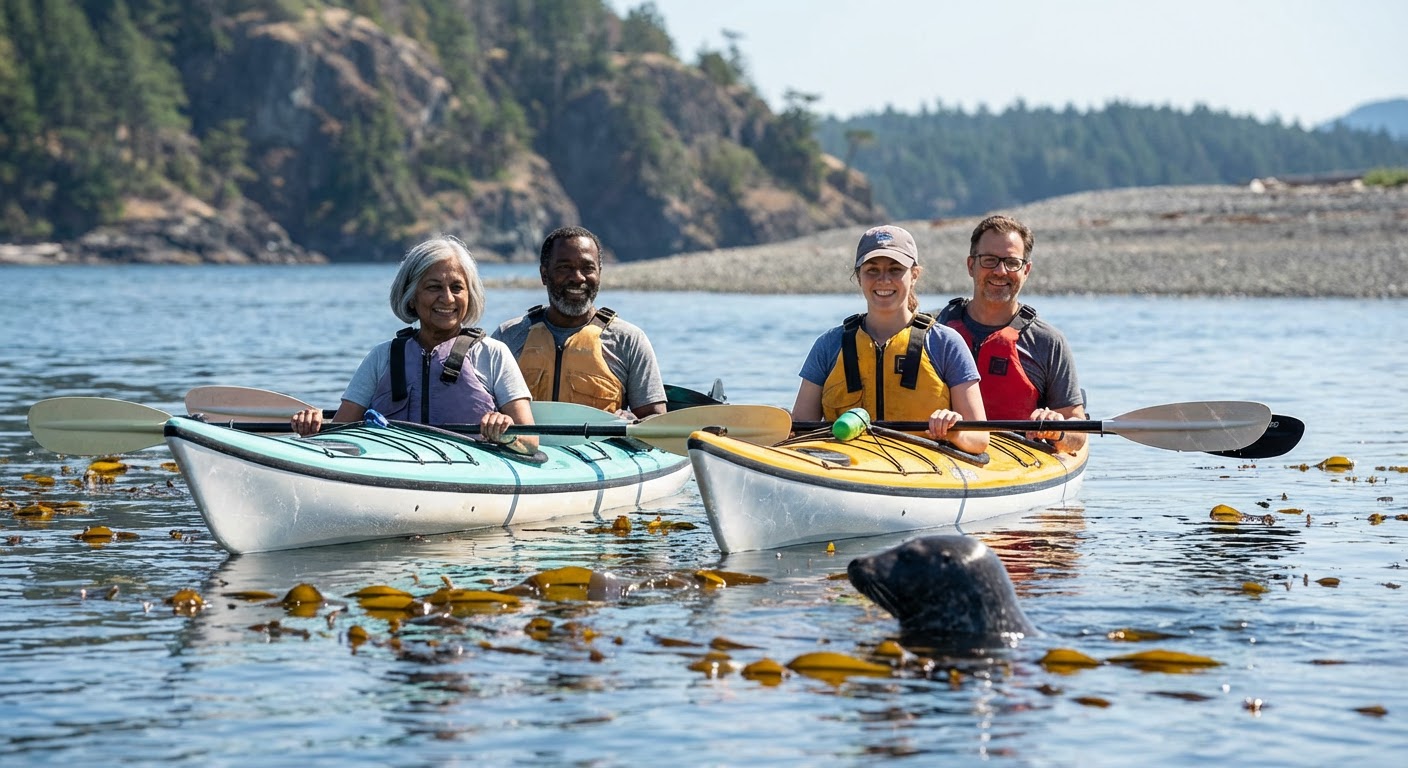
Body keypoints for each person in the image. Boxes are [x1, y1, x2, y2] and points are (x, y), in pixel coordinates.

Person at [289, 235, 538, 454]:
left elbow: (530, 441)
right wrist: (313, 431)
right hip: (392, 470)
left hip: (469, 473)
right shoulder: (382, 357)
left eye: (457, 288)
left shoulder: (493, 354)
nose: (447, 298)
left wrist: (505, 432)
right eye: (434, 287)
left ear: (469, 296)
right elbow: (339, 435)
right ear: (411, 297)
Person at [791, 225, 989, 455]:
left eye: (895, 270)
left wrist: (953, 431)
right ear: (858, 276)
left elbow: (979, 439)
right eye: (872, 270)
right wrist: (786, 424)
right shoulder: (828, 345)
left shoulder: (945, 343)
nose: (883, 280)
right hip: (846, 466)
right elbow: (802, 428)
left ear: (914, 275)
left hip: (924, 469)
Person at [932, 214, 1086, 453]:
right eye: (989, 260)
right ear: (971, 265)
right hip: (937, 454)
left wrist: (1059, 430)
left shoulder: (1048, 342)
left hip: (1018, 459)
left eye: (1012, 263)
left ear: (1026, 270)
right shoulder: (933, 329)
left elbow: (1078, 433)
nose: (1000, 271)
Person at [492, 226, 667, 420]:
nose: (577, 277)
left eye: (587, 268)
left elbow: (655, 419)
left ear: (599, 273)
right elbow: (479, 406)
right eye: (564, 267)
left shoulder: (629, 340)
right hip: (523, 449)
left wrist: (633, 422)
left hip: (599, 449)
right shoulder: (507, 337)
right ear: (544, 274)